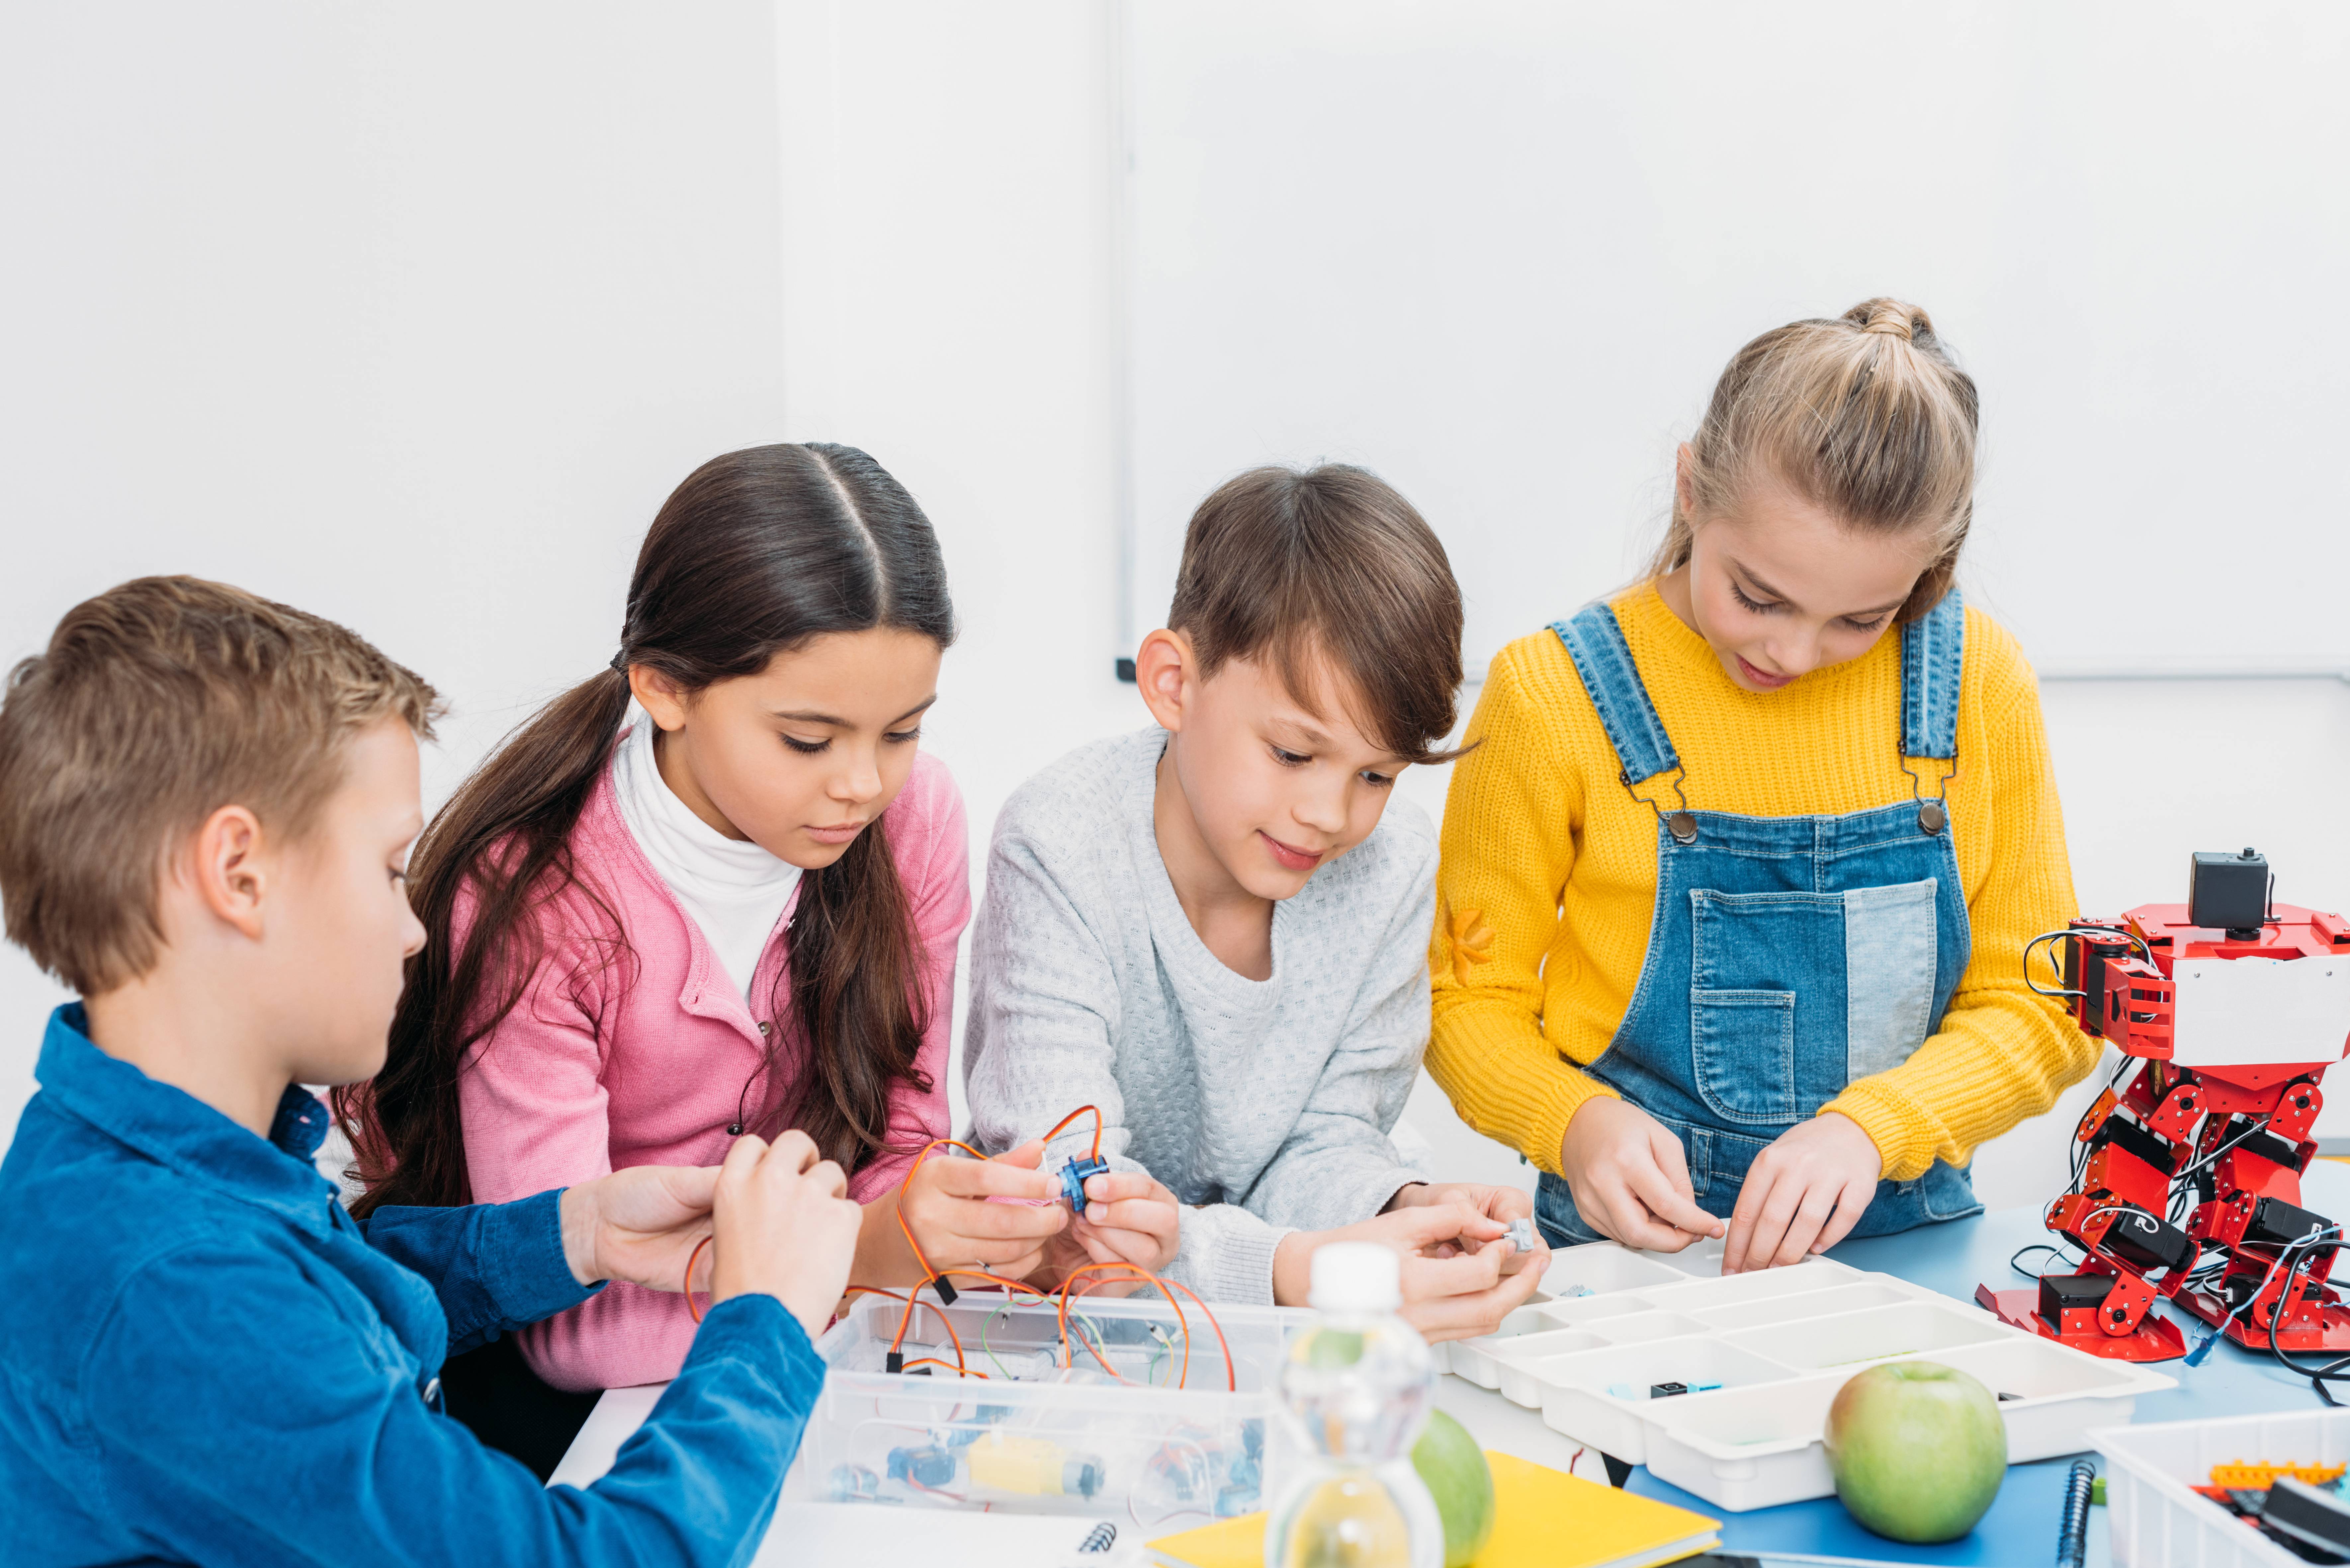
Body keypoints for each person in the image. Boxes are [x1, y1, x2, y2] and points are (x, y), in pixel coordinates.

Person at [0, 576, 861, 1565]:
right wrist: (764, 1326)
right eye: (385, 866)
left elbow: (329, 1313)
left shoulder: (133, 1171)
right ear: (238, 872)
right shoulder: (176, 1291)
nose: (414, 930)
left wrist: (575, 1233)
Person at [341, 443, 1065, 1455]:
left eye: (901, 732)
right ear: (665, 688)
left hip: (794, 1346)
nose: (863, 783)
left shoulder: (917, 823)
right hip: (570, 1407)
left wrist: (947, 1214)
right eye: (809, 740)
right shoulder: (535, 900)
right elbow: (559, 1325)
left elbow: (898, 1138)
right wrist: (860, 1256)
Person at [1428, 298, 2091, 1274]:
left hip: (1911, 1261)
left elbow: (2046, 999)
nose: (1792, 651)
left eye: (1859, 620)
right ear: (1693, 487)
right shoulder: (1552, 693)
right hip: (1635, 1266)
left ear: (1929, 573)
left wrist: (1878, 1127)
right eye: (1756, 595)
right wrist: (1574, 1124)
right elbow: (1464, 998)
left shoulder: (1978, 683)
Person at [964, 464, 1547, 1339]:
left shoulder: (1389, 864)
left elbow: (1326, 1136)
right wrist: (1295, 1269)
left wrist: (1403, 1205)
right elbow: (1072, 1220)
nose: (1329, 813)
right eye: (1291, 753)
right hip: (1066, 1338)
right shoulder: (1059, 843)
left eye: (1377, 774)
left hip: (1276, 1326)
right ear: (1173, 684)